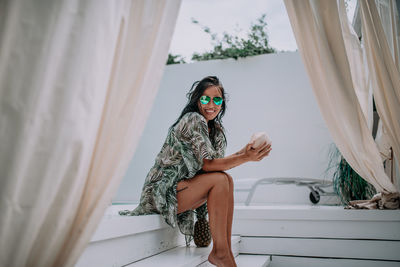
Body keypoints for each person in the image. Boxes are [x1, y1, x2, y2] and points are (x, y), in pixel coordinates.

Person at [119, 76, 271, 267]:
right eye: (205, 98)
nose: (211, 104)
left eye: (217, 99)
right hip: (160, 192)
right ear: (197, 100)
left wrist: (248, 152)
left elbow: (214, 166)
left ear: (222, 103)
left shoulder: (215, 129)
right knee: (221, 180)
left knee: (226, 179)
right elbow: (207, 164)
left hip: (181, 189)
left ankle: (224, 252)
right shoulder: (193, 119)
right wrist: (246, 158)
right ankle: (221, 253)